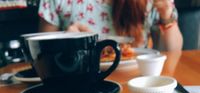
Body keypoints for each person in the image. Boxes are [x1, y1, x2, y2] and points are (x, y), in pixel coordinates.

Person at [38, 0, 183, 51]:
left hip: (136, 82)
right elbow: (41, 52)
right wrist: (68, 41)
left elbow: (171, 51)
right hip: (81, 80)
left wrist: (166, 15)